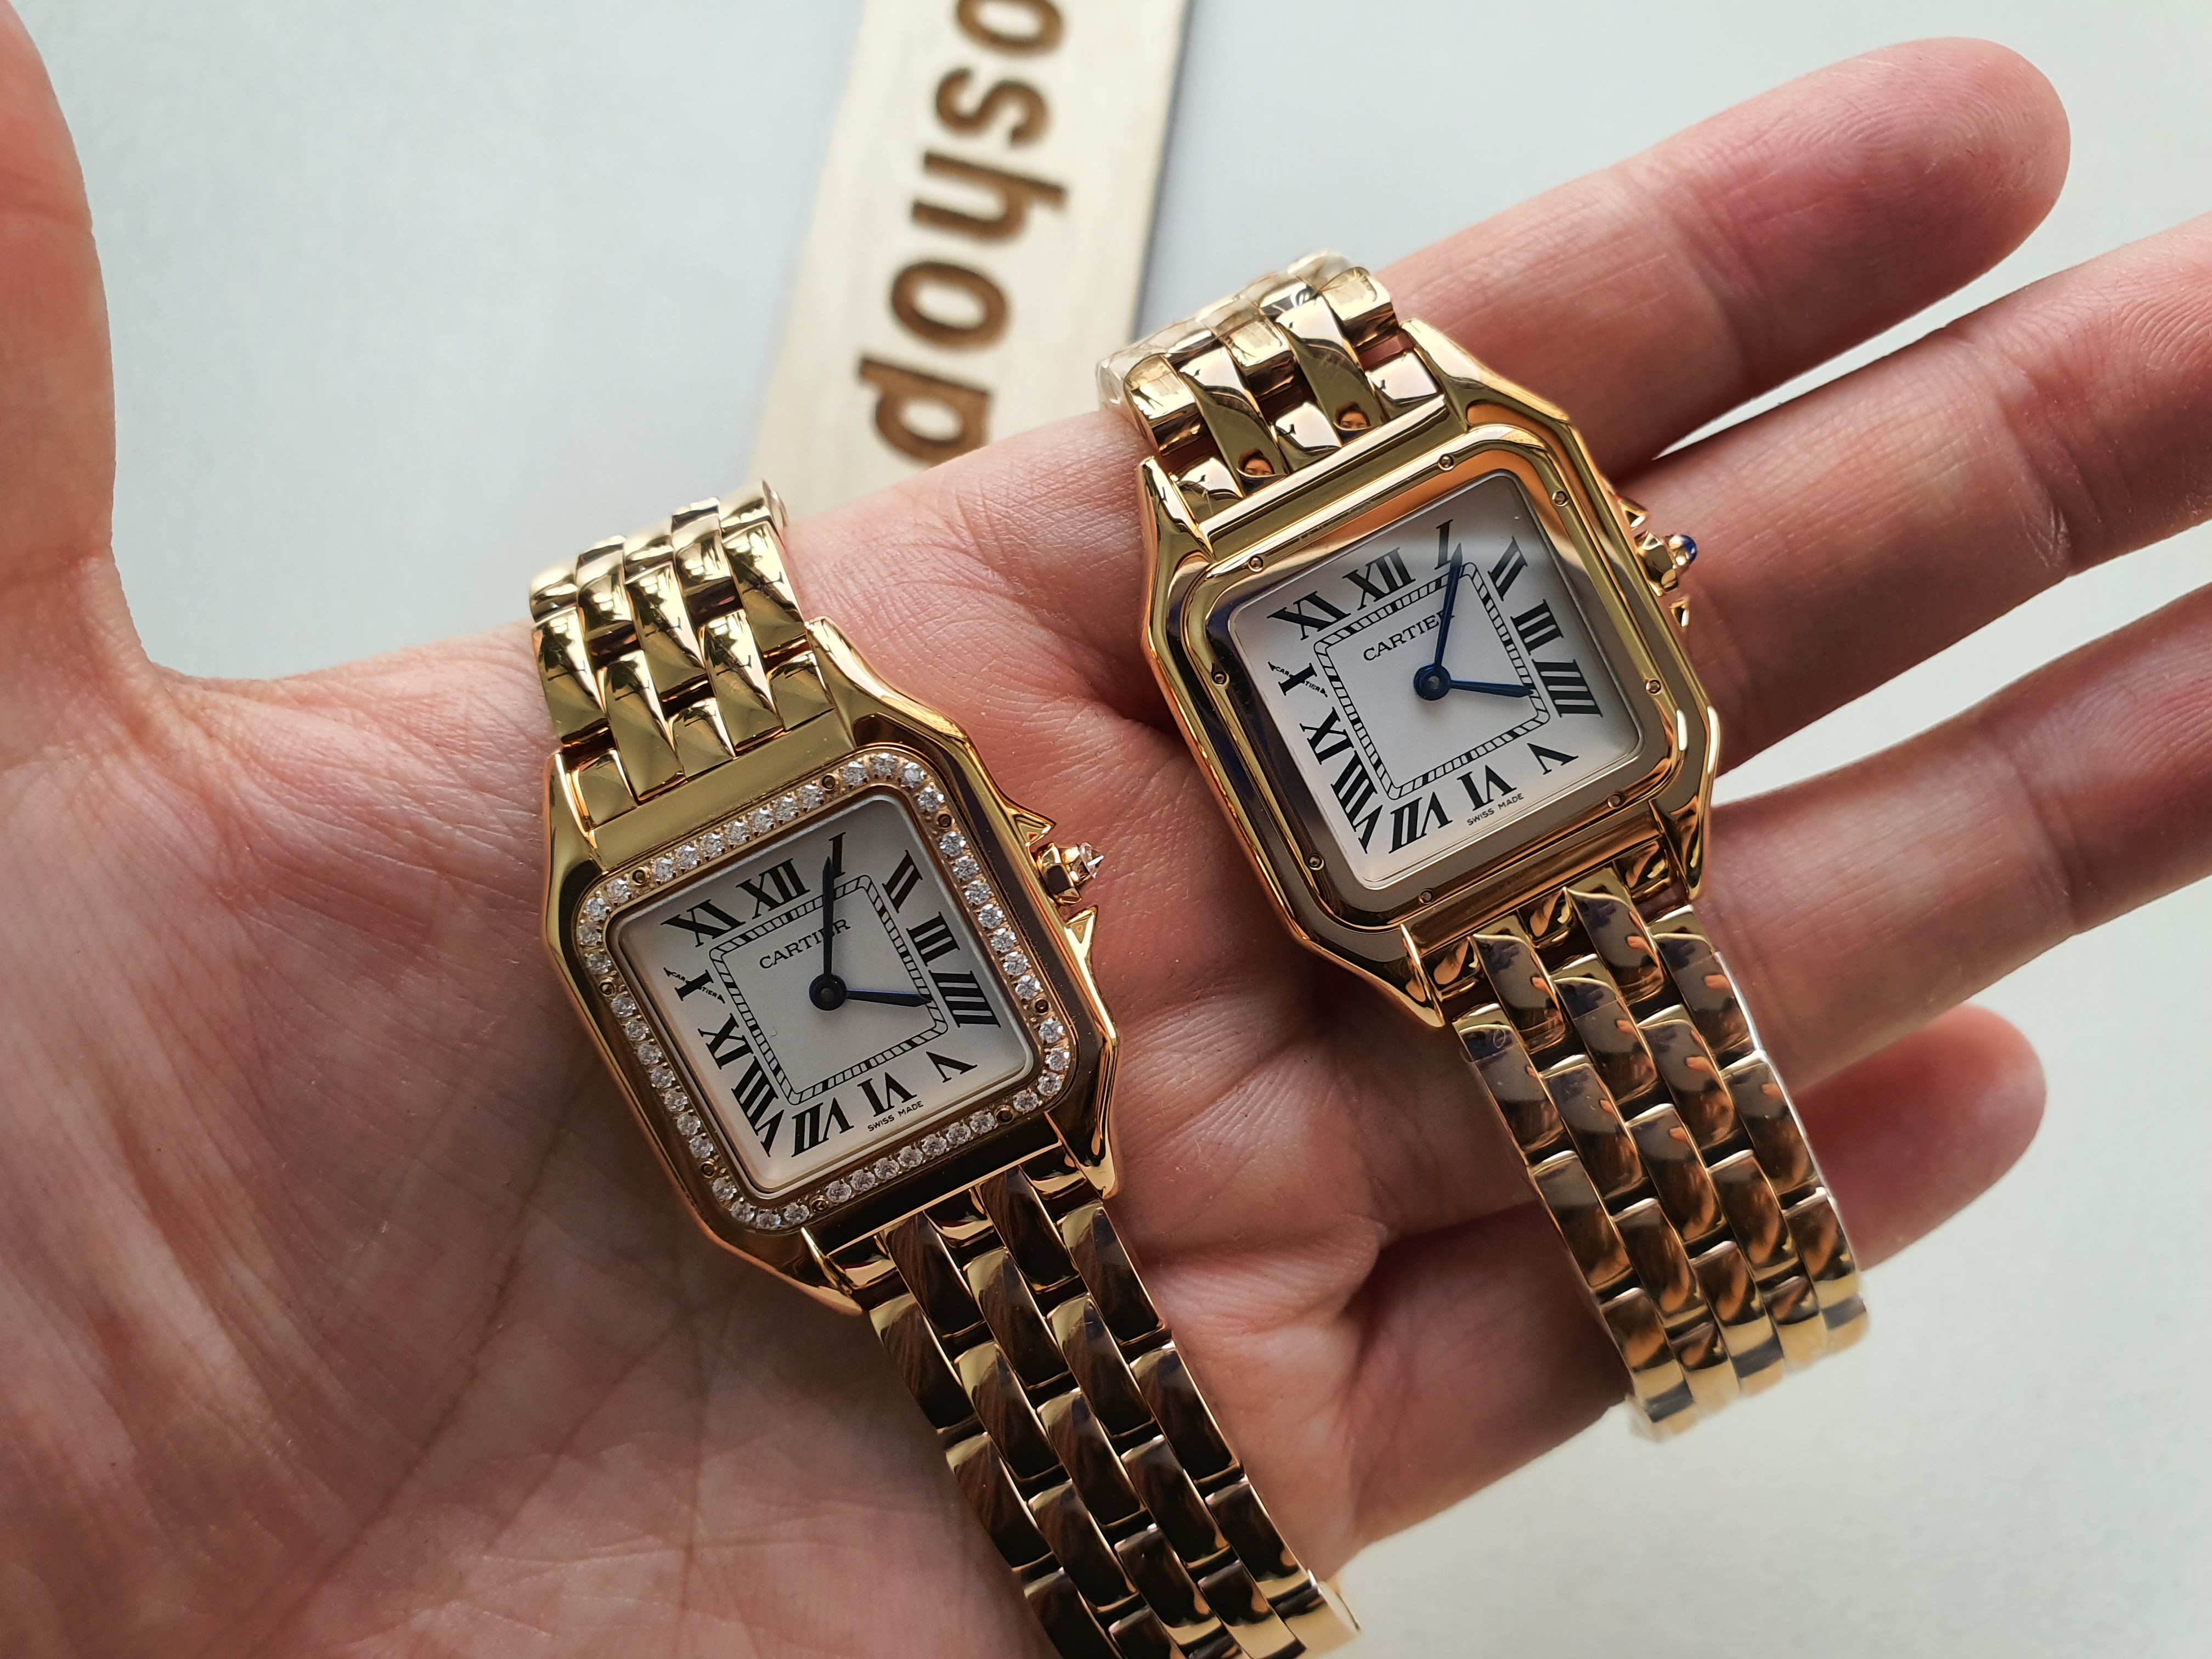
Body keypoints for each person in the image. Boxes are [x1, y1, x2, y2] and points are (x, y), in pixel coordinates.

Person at [2, 21, 2205, 1655]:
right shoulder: (830, 1080)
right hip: (968, 1207)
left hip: (1500, 899)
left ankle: (1722, 1310)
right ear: (1035, 901)